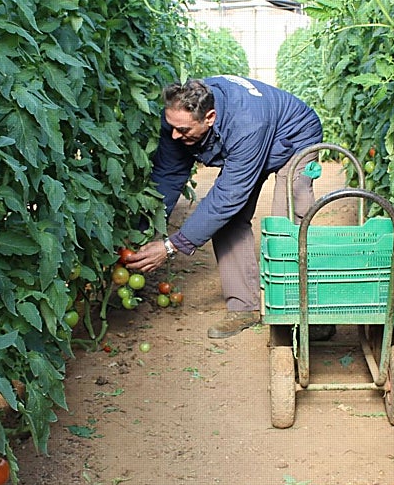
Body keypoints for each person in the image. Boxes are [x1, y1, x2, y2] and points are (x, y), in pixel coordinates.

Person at [125, 76, 323, 338]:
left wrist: (172, 246)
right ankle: (244, 308)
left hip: (293, 137)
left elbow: (229, 195)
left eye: (183, 131)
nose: (174, 134)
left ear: (210, 117)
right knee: (226, 221)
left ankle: (308, 312)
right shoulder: (178, 116)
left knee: (286, 225)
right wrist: (145, 230)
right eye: (171, 126)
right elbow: (168, 177)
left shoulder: (247, 123)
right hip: (248, 140)